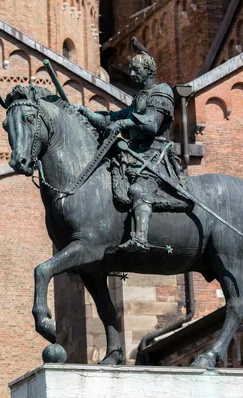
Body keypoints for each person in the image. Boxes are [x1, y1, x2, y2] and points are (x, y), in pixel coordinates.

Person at [76, 52, 192, 251]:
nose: (131, 73)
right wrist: (86, 113)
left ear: (148, 71)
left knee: (139, 189)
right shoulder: (139, 97)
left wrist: (122, 124)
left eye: (136, 70)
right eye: (131, 69)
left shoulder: (162, 91)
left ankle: (140, 238)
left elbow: (151, 124)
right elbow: (111, 118)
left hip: (154, 154)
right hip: (135, 153)